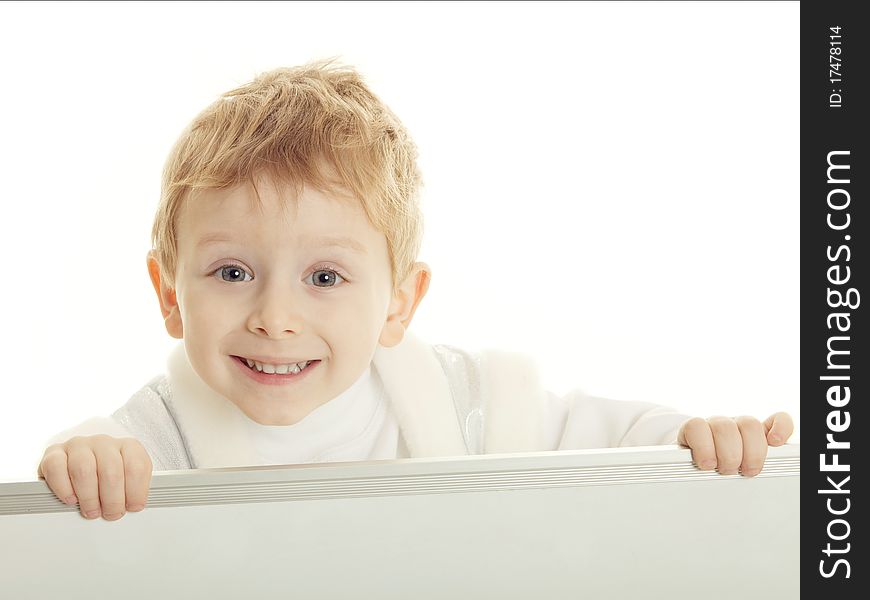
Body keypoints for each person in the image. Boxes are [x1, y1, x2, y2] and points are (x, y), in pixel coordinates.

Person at [37, 60, 794, 522]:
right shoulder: (162, 433)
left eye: (325, 277)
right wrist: (82, 457)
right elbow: (86, 468)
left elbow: (609, 435)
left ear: (399, 303)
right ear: (168, 293)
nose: (274, 318)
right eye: (231, 273)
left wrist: (692, 437)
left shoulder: (462, 399)